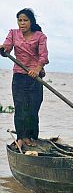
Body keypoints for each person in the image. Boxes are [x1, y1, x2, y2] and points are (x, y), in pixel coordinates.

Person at [0, 8, 49, 148]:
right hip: (19, 76)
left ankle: (31, 137)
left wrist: (37, 70)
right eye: (20, 20)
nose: (22, 23)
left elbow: (43, 56)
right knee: (20, 107)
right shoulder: (13, 33)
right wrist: (3, 48)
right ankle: (21, 137)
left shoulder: (40, 36)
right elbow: (7, 49)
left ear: (31, 21)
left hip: (35, 77)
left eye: (25, 20)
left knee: (33, 108)